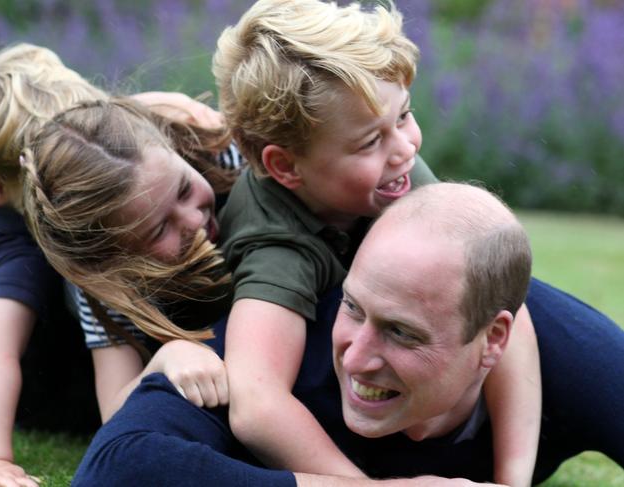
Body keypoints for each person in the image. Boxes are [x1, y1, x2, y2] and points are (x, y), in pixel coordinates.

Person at [69, 182, 624, 486]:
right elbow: (118, 466)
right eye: (354, 308)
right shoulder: (284, 342)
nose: (356, 358)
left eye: (402, 334)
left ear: (493, 340)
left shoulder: (573, 356)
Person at [212, 0, 539, 484]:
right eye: (370, 142)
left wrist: (512, 478)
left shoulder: (391, 168)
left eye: (404, 116)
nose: (405, 148)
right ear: (286, 167)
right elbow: (256, 404)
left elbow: (505, 304)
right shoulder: (275, 244)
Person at [0, 43, 233, 487]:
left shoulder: (158, 156)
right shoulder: (26, 256)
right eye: (54, 168)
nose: (85, 158)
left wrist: (151, 109)